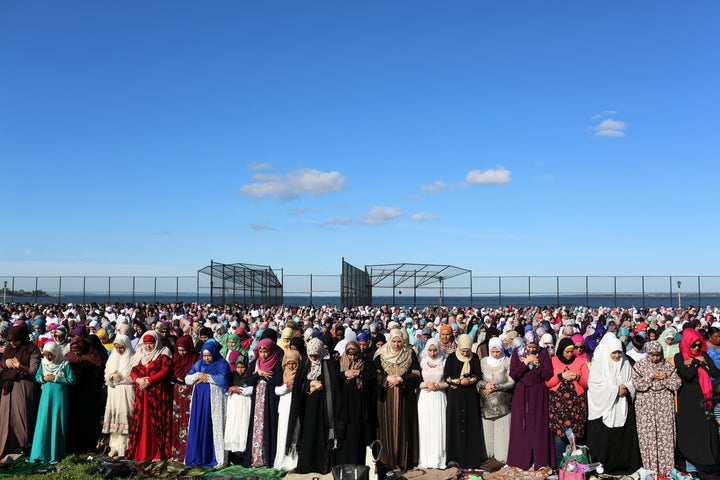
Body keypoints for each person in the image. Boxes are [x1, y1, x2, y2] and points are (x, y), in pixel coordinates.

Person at [586, 332, 642, 475]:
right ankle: (602, 467)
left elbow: (632, 380)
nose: (617, 356)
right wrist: (615, 390)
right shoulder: (600, 363)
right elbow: (594, 385)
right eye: (614, 353)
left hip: (623, 406)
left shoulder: (626, 363)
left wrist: (627, 388)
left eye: (619, 352)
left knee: (623, 440)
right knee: (605, 441)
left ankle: (623, 466)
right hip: (605, 408)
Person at [287, 337, 341, 474]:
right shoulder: (305, 361)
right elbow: (299, 384)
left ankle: (321, 466)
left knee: (321, 435)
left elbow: (334, 386)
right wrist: (311, 384)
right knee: (308, 434)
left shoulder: (329, 362)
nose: (314, 358)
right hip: (307, 407)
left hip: (323, 407)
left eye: (316, 355)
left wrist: (320, 385)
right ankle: (306, 465)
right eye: (312, 355)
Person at [632, 340, 681, 477]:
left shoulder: (668, 366)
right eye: (652, 355)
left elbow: (676, 383)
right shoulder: (639, 366)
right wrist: (650, 376)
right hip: (646, 408)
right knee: (648, 437)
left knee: (665, 437)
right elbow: (637, 385)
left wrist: (664, 378)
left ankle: (667, 472)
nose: (655, 358)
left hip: (664, 407)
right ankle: (651, 471)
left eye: (658, 355)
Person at [373, 328, 421, 471]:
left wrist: (402, 379)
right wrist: (385, 378)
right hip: (386, 398)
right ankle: (386, 461)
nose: (396, 345)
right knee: (385, 428)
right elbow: (372, 375)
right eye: (393, 341)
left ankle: (403, 460)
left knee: (404, 427)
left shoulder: (409, 353)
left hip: (405, 398)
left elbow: (417, 374)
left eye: (399, 341)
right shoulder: (380, 354)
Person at [506, 330, 554, 470]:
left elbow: (547, 374)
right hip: (522, 393)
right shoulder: (517, 353)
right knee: (522, 425)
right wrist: (526, 362)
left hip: (539, 393)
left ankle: (540, 459)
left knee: (539, 426)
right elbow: (514, 374)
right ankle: (521, 459)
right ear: (525, 344)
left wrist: (537, 364)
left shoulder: (543, 353)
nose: (532, 350)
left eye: (534, 347)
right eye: (529, 347)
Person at [674, 328, 720, 472]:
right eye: (693, 345)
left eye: (699, 345)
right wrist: (696, 362)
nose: (697, 348)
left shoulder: (704, 355)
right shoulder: (679, 357)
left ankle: (707, 467)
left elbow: (715, 372)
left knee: (707, 434)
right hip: (689, 403)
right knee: (691, 435)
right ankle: (691, 469)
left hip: (705, 401)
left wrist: (701, 362)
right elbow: (687, 374)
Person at [127, 330, 173, 461]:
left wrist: (149, 380)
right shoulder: (141, 356)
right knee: (142, 423)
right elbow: (133, 371)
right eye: (146, 343)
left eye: (151, 343)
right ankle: (141, 451)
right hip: (143, 397)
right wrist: (138, 380)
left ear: (156, 342)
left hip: (158, 396)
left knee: (157, 423)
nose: (148, 346)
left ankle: (158, 452)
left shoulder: (163, 354)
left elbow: (165, 370)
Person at [184, 339, 231, 467]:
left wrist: (208, 378)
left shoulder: (222, 364)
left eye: (209, 355)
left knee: (213, 425)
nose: (207, 358)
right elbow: (187, 379)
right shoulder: (199, 365)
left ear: (214, 353)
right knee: (200, 424)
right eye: (204, 356)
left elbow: (224, 379)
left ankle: (215, 457)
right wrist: (199, 374)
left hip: (214, 400)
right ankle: (198, 456)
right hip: (200, 401)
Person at [27, 341, 75, 463]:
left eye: (51, 355)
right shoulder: (43, 363)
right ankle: (40, 453)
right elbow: (37, 377)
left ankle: (55, 453)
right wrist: (44, 378)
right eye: (46, 354)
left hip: (59, 397)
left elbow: (72, 380)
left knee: (56, 421)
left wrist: (56, 378)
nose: (48, 357)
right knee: (44, 422)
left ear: (56, 353)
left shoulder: (64, 364)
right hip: (46, 397)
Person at [546, 337, 589, 467]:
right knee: (560, 434)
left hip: (576, 404)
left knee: (574, 434)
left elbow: (587, 382)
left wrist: (576, 377)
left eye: (572, 351)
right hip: (558, 403)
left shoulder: (580, 361)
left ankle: (574, 465)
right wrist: (561, 376)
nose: (570, 354)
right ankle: (561, 465)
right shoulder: (553, 361)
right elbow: (548, 382)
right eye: (567, 351)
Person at [444, 333, 485, 468]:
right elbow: (447, 377)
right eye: (463, 351)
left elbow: (478, 374)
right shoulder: (451, 358)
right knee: (455, 425)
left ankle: (470, 457)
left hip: (470, 397)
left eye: (467, 351)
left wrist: (470, 381)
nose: (465, 353)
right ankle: (454, 457)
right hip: (455, 397)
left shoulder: (474, 358)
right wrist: (460, 381)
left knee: (470, 424)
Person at [0, 324, 41, 457]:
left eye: (16, 340)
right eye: (11, 341)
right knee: (6, 417)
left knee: (22, 416)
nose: (13, 343)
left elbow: (34, 370)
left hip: (24, 385)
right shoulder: (8, 348)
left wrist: (19, 366)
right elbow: (1, 362)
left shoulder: (32, 349)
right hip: (8, 386)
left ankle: (23, 446)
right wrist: (5, 363)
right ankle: (6, 445)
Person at [243, 337, 283, 467]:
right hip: (257, 400)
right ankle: (255, 457)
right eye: (261, 352)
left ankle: (267, 458)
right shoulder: (255, 363)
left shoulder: (276, 363)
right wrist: (258, 374)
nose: (263, 355)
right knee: (256, 427)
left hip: (270, 399)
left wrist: (263, 376)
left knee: (268, 425)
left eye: (266, 351)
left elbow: (278, 380)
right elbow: (248, 380)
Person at [335, 340, 376, 466]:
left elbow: (372, 378)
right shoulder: (340, 362)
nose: (353, 358)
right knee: (346, 435)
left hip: (360, 407)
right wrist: (344, 374)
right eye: (350, 355)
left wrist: (360, 373)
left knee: (359, 435)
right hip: (345, 407)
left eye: (355, 355)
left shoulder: (366, 363)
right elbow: (334, 379)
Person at [64, 335, 104, 454]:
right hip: (73, 394)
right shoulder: (68, 357)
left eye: (78, 348)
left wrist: (82, 364)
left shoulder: (93, 355)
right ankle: (72, 447)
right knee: (73, 420)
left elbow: (97, 372)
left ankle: (88, 446)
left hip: (89, 394)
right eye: (73, 349)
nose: (75, 351)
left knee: (88, 421)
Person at [478, 337, 514, 464]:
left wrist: (495, 387)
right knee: (487, 436)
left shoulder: (507, 361)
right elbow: (477, 379)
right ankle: (487, 460)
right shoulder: (483, 362)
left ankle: (501, 460)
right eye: (492, 352)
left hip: (503, 405)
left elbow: (512, 382)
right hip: (486, 404)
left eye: (497, 351)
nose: (495, 354)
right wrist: (485, 385)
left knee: (502, 435)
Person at [102, 334, 135, 458]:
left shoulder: (132, 357)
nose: (119, 350)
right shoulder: (112, 358)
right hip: (114, 392)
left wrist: (120, 377)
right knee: (114, 418)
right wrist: (111, 376)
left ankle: (125, 447)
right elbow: (106, 372)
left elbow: (133, 376)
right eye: (117, 348)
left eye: (122, 347)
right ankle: (114, 447)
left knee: (126, 417)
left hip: (126, 392)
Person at [417, 338, 448, 469]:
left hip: (439, 397)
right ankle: (425, 459)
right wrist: (426, 384)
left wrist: (438, 386)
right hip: (424, 398)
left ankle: (438, 459)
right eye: (430, 350)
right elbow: (416, 381)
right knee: (425, 427)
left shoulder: (444, 361)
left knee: (438, 427)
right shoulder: (421, 362)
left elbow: (448, 382)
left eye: (435, 350)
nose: (433, 353)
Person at [171, 334, 198, 462]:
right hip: (178, 393)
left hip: (190, 392)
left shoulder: (195, 359)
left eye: (184, 350)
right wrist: (176, 378)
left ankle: (189, 453)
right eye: (179, 350)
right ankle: (178, 452)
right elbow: (171, 374)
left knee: (188, 420)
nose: (181, 353)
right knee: (178, 420)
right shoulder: (175, 358)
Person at [273, 349, 300, 470]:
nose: (291, 366)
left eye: (294, 363)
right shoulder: (282, 373)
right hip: (284, 406)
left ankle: (294, 462)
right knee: (283, 432)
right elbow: (276, 390)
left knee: (294, 431)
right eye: (289, 363)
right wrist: (286, 387)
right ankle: (282, 460)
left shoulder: (301, 374)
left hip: (296, 406)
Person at [224, 350, 253, 465]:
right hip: (234, 404)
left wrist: (241, 390)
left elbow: (251, 389)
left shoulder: (249, 376)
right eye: (238, 367)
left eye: (242, 367)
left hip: (244, 403)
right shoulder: (231, 376)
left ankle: (243, 454)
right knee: (233, 425)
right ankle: (233, 454)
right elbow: (226, 389)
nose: (240, 369)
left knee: (243, 425)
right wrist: (231, 389)